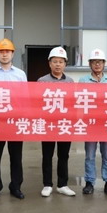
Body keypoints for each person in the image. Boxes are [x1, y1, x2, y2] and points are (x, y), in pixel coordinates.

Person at [0, 38, 27, 200]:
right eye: (1, 52)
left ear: (12, 54)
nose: (4, 55)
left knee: (16, 156)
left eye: (7, 51)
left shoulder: (20, 74)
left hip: (15, 121)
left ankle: (16, 186)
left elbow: (25, 98)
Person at [78, 48, 107, 197]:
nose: (97, 64)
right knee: (89, 155)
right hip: (90, 123)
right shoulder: (83, 81)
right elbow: (79, 101)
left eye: (100, 61)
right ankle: (89, 182)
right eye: (94, 62)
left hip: (106, 123)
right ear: (90, 64)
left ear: (104, 63)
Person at [38, 46, 76, 197]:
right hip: (48, 124)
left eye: (61, 62)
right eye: (55, 61)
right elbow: (37, 103)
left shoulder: (70, 81)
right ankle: (47, 184)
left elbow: (73, 103)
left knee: (63, 155)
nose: (58, 64)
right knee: (47, 155)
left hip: (65, 124)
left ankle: (62, 184)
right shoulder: (42, 81)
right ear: (49, 63)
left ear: (65, 64)